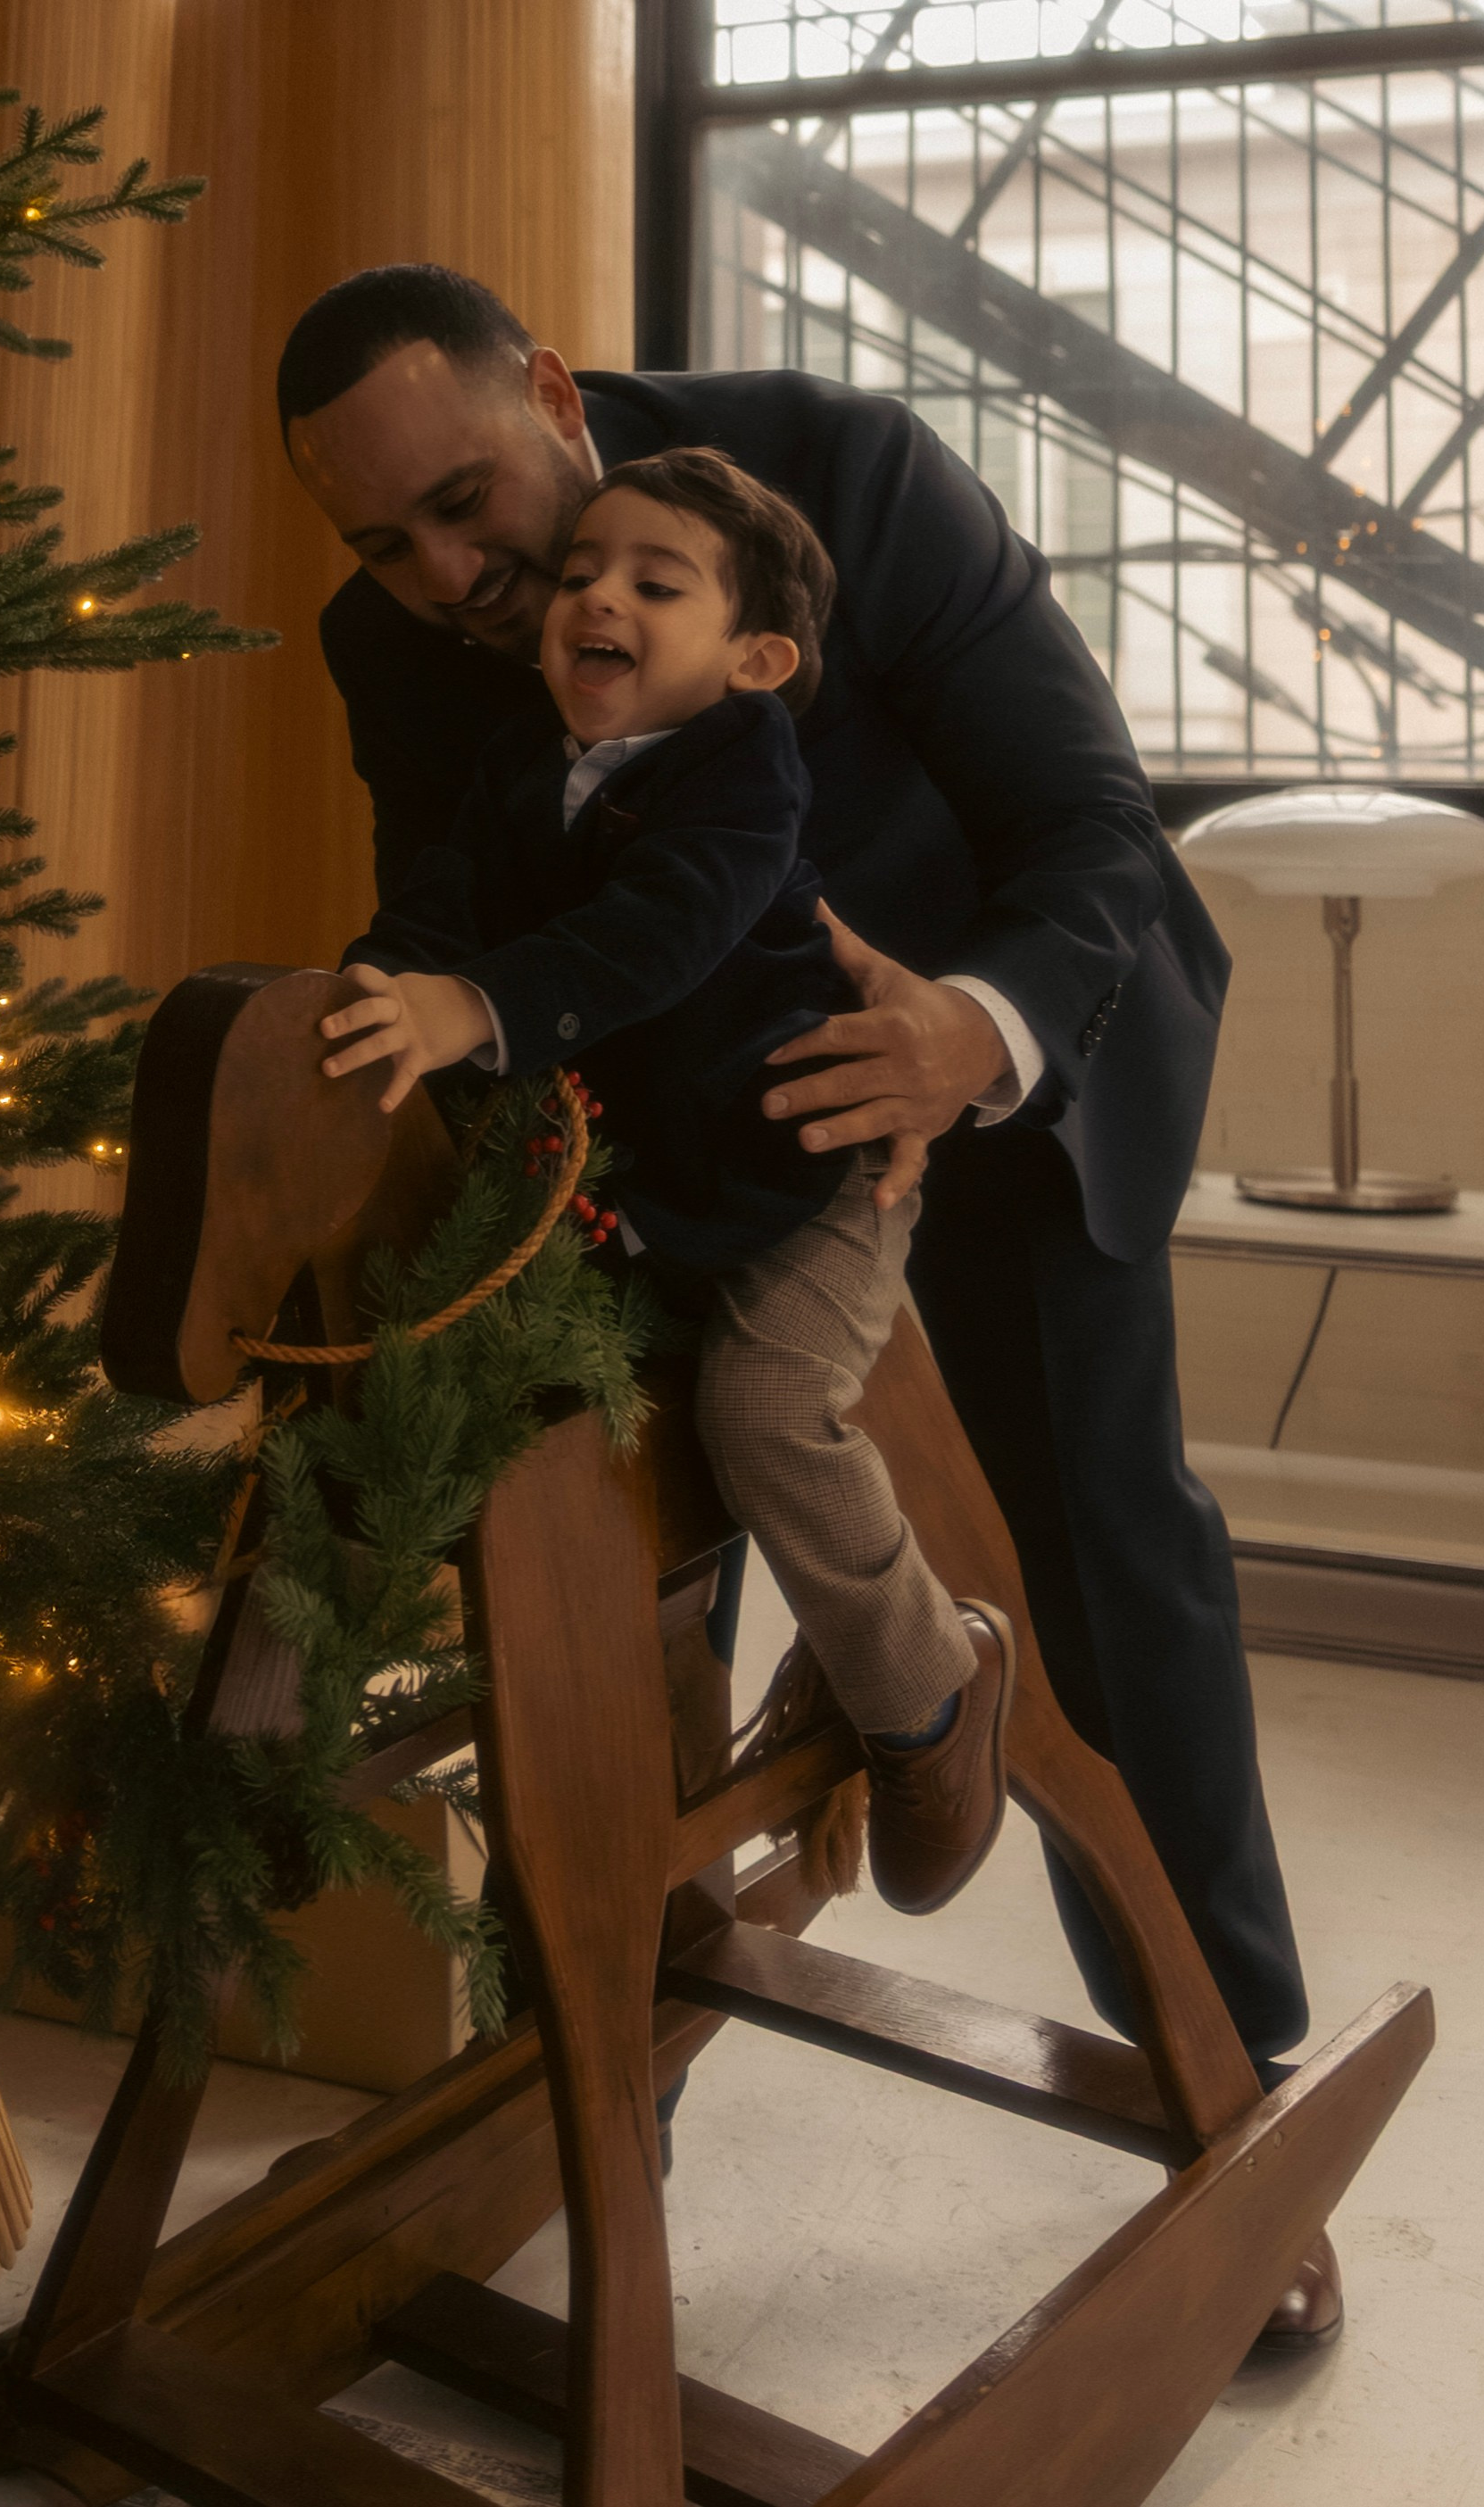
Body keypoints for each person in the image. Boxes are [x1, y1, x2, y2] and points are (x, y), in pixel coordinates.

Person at [277, 265, 1339, 2346]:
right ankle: (610, 2103)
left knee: (1099, 1560)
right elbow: (441, 921)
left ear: (560, 397)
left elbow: (1088, 827)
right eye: (383, 545)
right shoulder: (386, 644)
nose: (449, 573)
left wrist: (969, 1032)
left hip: (995, 1057)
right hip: (656, 1134)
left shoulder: (848, 467)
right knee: (614, 1600)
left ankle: (1235, 2095)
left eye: (470, 503)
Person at [320, 447, 1016, 1914]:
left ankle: (931, 1700)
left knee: (764, 1409)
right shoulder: (526, 759)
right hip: (640, 1184)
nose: (595, 599)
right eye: (581, 573)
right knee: (512, 1403)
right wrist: (383, 980)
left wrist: (476, 1008)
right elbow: (448, 895)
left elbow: (654, 941)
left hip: (800, 1170)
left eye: (653, 582)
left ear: (753, 656)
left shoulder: (744, 772)